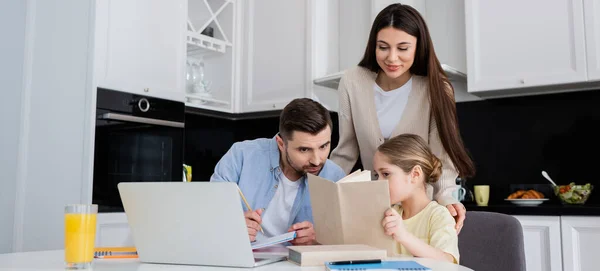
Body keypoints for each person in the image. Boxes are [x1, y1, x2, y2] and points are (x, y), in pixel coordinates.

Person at [329, 3, 475, 232]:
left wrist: (447, 199)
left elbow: (441, 157)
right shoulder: (352, 82)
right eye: (383, 47)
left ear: (419, 47)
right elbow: (345, 152)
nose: (392, 58)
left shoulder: (436, 88)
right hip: (371, 211)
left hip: (419, 213)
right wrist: (321, 197)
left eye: (403, 48)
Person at [210, 98, 345, 245]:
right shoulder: (241, 156)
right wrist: (231, 224)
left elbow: (346, 241)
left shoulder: (335, 177)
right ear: (281, 144)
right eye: (304, 149)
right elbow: (209, 213)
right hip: (242, 258)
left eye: (324, 146)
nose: (317, 160)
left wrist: (319, 238)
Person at [376, 134, 459, 263]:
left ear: (415, 175)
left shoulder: (438, 215)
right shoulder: (389, 214)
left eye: (386, 174)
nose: (378, 182)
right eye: (377, 175)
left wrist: (404, 236)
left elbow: (447, 262)